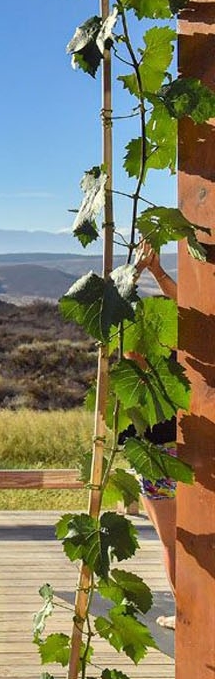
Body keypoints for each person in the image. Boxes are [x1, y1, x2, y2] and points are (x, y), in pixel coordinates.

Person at [125, 239, 180, 630]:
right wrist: (158, 273)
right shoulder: (184, 352)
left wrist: (135, 273)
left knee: (170, 542)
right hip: (190, 447)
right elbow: (187, 308)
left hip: (157, 452)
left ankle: (187, 613)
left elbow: (117, 329)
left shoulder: (137, 361)